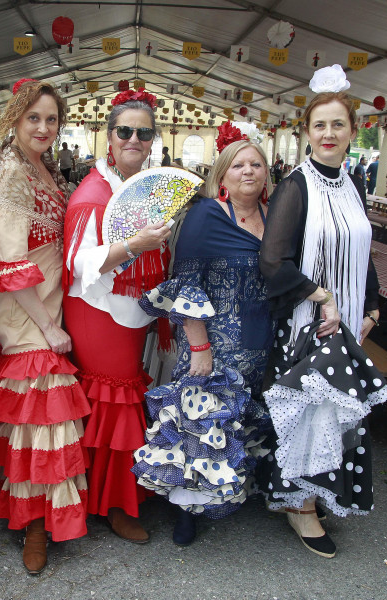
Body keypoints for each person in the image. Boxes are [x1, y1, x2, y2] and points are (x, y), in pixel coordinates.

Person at [258, 65, 387, 559]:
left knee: (336, 415)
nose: (329, 133)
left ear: (353, 132)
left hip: (350, 319)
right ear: (306, 133)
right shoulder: (297, 186)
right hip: (309, 321)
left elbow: (363, 251)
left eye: (338, 125)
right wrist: (322, 297)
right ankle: (300, 505)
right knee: (314, 414)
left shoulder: (352, 182)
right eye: (320, 125)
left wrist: (371, 308)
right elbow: (272, 262)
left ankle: (315, 492)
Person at [133, 122, 274, 546]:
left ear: (267, 173)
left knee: (240, 426)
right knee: (199, 427)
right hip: (214, 347)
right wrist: (200, 346)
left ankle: (230, 492)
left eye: (256, 164)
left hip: (260, 341)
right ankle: (186, 509)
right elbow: (185, 282)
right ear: (222, 174)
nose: (248, 171)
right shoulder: (206, 214)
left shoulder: (275, 218)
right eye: (238, 165)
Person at [0, 79, 90, 575]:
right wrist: (47, 327)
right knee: (41, 410)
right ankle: (35, 523)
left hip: (49, 301)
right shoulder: (10, 173)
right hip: (28, 310)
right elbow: (9, 261)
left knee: (38, 415)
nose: (44, 127)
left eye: (51, 119)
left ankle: (37, 510)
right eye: (33, 119)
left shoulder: (40, 167)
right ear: (14, 121)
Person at [62, 88, 171, 544]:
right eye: (125, 131)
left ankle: (96, 496)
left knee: (117, 398)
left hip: (131, 308)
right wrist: (135, 246)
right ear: (108, 137)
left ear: (153, 142)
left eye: (143, 134)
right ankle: (108, 503)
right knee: (113, 398)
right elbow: (78, 262)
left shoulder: (136, 188)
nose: (134, 140)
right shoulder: (92, 194)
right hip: (98, 309)